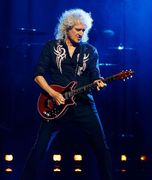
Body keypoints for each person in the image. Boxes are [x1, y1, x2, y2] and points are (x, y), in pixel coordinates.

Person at [21, 8, 112, 180]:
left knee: (102, 148)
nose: (81, 33)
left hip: (83, 104)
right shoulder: (51, 47)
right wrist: (53, 93)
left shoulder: (90, 51)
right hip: (55, 104)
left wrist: (98, 83)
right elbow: (38, 75)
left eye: (84, 30)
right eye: (78, 29)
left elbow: (95, 75)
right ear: (67, 28)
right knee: (39, 148)